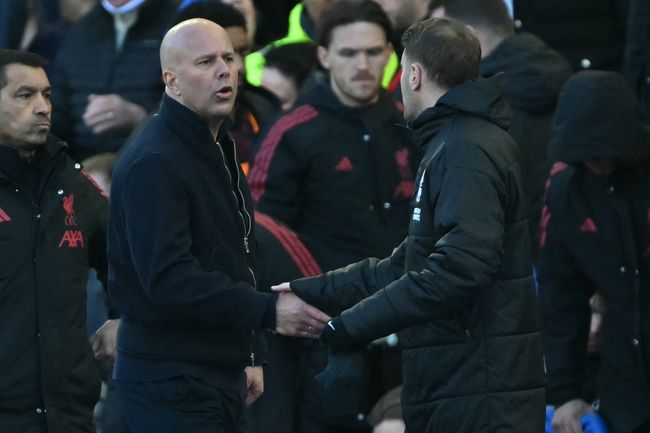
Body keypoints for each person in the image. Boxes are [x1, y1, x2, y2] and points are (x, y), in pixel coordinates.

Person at [275, 17, 545, 432]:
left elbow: (459, 268)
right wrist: (314, 290)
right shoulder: (452, 142)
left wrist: (346, 327)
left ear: (413, 75)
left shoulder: (465, 149)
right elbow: (407, 264)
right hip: (460, 385)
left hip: (478, 395)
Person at [107, 18, 330, 433]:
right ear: (171, 81)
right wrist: (267, 312)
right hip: (171, 380)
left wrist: (251, 351)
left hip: (218, 370)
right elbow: (169, 280)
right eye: (206, 62)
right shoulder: (154, 161)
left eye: (229, 57)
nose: (225, 70)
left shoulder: (218, 143)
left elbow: (240, 256)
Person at [0, 49, 117, 433]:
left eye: (47, 95)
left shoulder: (73, 184)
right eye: (25, 95)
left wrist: (122, 318)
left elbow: (125, 258)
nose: (42, 107)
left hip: (67, 415)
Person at [538, 70, 650, 433]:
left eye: (601, 151)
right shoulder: (566, 192)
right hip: (626, 391)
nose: (593, 161)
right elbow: (560, 297)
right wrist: (565, 392)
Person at [436, 0, 572, 259]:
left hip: (507, 261)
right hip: (560, 256)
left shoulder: (480, 106)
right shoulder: (562, 82)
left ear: (470, 38)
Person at [50, 0, 178, 161]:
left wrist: (140, 118)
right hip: (82, 166)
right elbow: (58, 114)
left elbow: (194, 114)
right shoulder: (80, 31)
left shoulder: (179, 24)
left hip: (153, 162)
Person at [173, 0, 281, 166]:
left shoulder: (266, 108)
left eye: (243, 52)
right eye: (221, 57)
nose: (239, 66)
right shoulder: (160, 142)